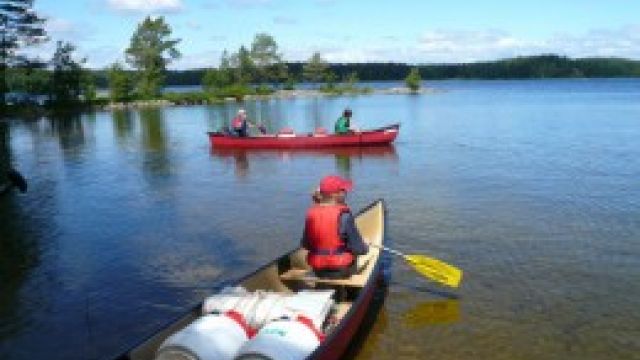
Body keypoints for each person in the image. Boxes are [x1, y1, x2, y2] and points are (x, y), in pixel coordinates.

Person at [302, 175, 369, 279]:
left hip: (318, 270)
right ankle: (350, 290)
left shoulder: (311, 213)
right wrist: (366, 246)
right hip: (340, 270)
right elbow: (359, 249)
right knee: (355, 252)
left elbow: (306, 245)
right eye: (343, 190)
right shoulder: (344, 216)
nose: (346, 193)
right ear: (335, 195)